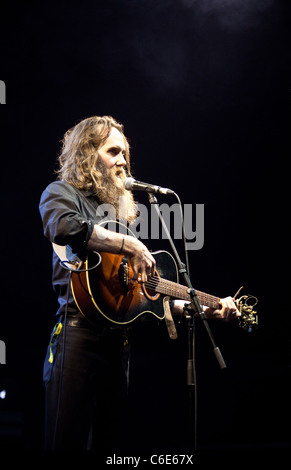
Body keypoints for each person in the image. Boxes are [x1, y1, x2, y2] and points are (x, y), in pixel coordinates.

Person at [39, 115, 239, 451]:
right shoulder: (62, 194)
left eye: (125, 154)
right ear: (88, 154)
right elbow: (64, 227)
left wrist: (206, 308)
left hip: (119, 350)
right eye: (113, 151)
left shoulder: (120, 221)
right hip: (78, 338)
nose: (122, 162)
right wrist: (130, 245)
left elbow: (148, 301)